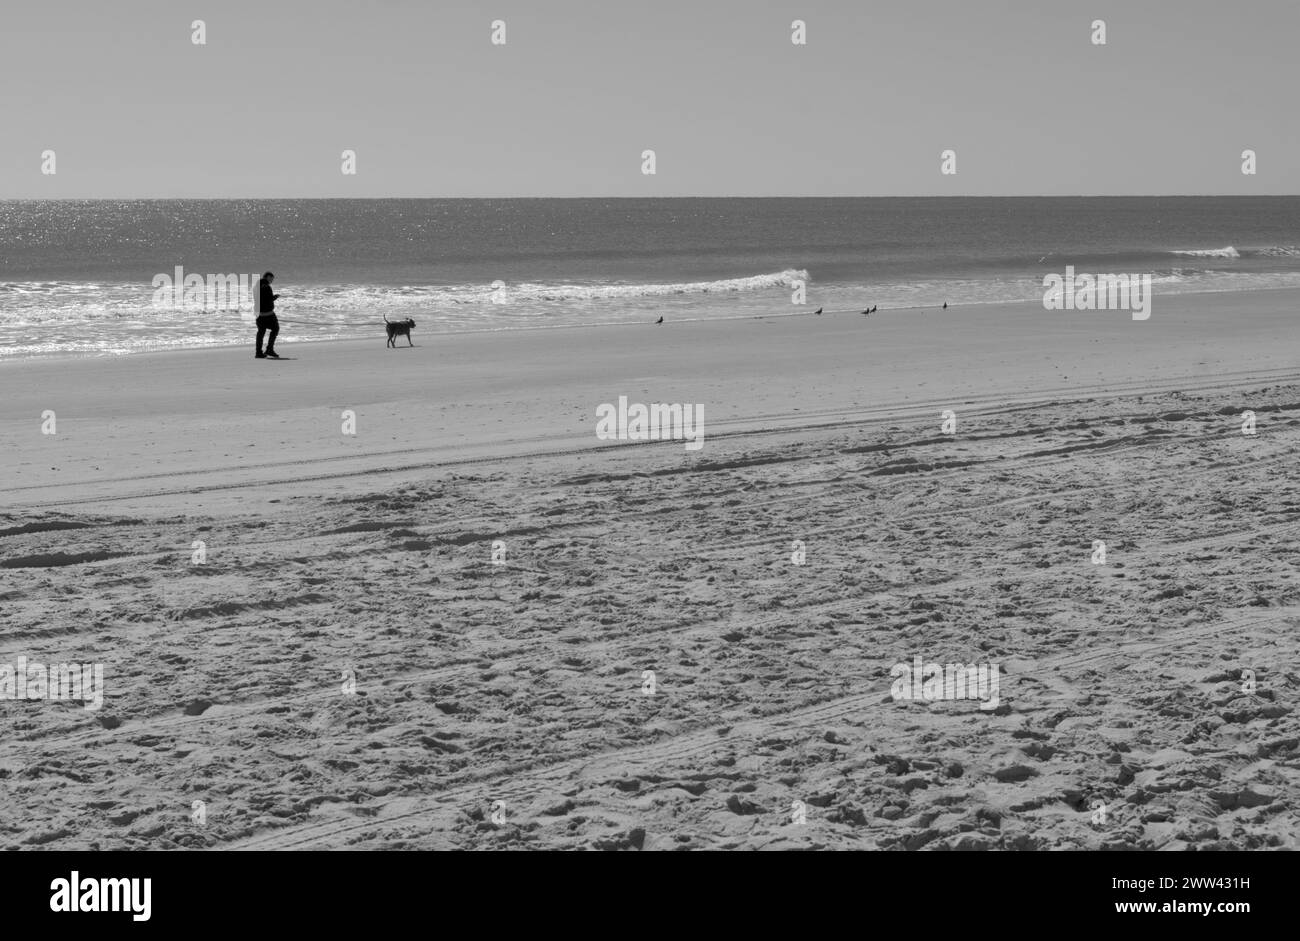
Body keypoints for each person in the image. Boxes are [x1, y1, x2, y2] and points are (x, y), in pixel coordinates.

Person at [255, 271, 281, 359]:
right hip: (268, 314)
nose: (272, 281)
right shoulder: (266, 286)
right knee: (275, 329)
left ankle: (258, 352)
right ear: (268, 277)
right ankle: (269, 349)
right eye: (271, 279)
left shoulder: (256, 286)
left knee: (261, 333)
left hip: (259, 314)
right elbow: (268, 299)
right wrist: (275, 297)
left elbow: (261, 299)